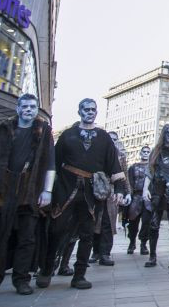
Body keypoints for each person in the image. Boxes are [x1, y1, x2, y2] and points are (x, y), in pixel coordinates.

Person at [0, 94, 54, 299]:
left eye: (32, 106)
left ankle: (21, 279)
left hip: (30, 191)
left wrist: (47, 190)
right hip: (1, 190)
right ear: (18, 108)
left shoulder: (44, 132)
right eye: (25, 106)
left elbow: (50, 162)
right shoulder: (3, 130)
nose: (28, 110)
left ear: (36, 109)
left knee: (27, 238)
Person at [37, 98, 128, 290]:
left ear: (96, 112)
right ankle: (46, 270)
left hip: (91, 193)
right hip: (65, 189)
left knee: (87, 234)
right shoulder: (68, 135)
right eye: (86, 109)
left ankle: (79, 276)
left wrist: (120, 189)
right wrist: (46, 190)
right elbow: (54, 163)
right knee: (56, 230)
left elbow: (114, 164)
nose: (90, 112)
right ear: (79, 112)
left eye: (93, 109)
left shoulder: (104, 137)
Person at [143, 124, 169, 270]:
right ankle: (152, 256)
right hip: (158, 190)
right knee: (154, 224)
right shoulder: (156, 151)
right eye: (166, 132)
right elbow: (149, 171)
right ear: (163, 134)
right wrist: (145, 189)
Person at [90, 131, 129, 266]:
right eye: (110, 139)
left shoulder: (120, 156)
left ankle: (105, 253)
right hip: (97, 189)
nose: (112, 141)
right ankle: (95, 251)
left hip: (112, 192)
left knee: (109, 223)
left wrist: (126, 192)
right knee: (95, 222)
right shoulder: (97, 152)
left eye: (114, 139)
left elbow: (124, 176)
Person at [126, 146, 152, 255]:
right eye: (144, 151)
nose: (145, 153)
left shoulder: (152, 167)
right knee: (132, 222)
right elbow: (129, 182)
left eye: (148, 152)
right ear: (140, 153)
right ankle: (132, 242)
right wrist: (129, 195)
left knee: (147, 222)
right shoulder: (133, 167)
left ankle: (143, 244)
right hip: (135, 197)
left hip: (148, 198)